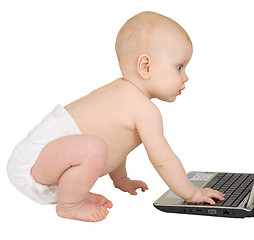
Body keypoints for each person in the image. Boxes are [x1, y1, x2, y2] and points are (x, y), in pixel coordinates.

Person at [7, 11, 225, 222]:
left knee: (97, 145)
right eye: (179, 67)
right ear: (145, 66)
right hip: (35, 166)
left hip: (48, 163)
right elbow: (164, 160)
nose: (185, 77)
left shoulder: (123, 95)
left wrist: (120, 179)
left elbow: (116, 143)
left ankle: (72, 193)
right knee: (93, 148)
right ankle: (69, 205)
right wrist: (193, 194)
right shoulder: (144, 110)